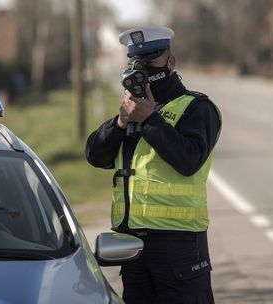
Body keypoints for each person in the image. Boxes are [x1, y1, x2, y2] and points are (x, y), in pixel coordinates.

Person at [85, 26, 221, 304]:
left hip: (180, 248)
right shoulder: (131, 112)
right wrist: (121, 122)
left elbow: (188, 160)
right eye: (137, 63)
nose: (144, 69)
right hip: (133, 248)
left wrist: (149, 120)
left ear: (171, 62)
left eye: (151, 61)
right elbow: (95, 155)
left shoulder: (197, 108)